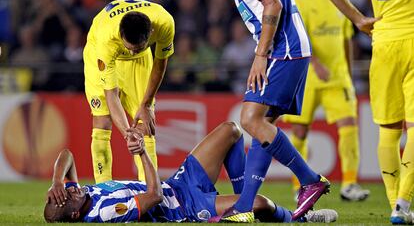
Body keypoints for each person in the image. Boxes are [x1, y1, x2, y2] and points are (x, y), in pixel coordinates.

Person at [187, 0, 329, 222]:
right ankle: (245, 205)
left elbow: (273, 4)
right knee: (261, 126)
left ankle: (310, 179)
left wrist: (261, 54)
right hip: (284, 50)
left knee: (250, 118)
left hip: (284, 50)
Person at [44, 122, 338, 223]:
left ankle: (240, 206)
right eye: (67, 196)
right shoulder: (106, 213)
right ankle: (301, 219)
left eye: (66, 189)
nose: (72, 190)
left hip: (181, 183)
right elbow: (154, 196)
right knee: (260, 204)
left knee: (231, 130)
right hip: (186, 206)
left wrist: (57, 179)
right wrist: (142, 153)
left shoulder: (79, 194)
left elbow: (67, 154)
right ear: (74, 215)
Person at [321, 0, 414, 224]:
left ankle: (394, 205)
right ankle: (403, 203)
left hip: (384, 42)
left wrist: (358, 19)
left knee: (388, 131)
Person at [283, 0, 370, 202]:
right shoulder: (300, 1)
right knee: (299, 131)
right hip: (307, 77)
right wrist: (316, 64)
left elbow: (346, 41)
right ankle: (299, 184)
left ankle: (350, 184)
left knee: (349, 127)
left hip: (338, 78)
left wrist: (349, 76)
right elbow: (299, 38)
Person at [83, 0, 174, 183]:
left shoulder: (164, 22)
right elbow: (111, 94)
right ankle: (104, 188)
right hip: (99, 57)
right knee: (102, 121)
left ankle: (150, 190)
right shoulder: (106, 39)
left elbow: (160, 62)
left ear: (151, 33)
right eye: (129, 48)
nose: (131, 52)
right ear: (120, 34)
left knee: (144, 125)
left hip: (139, 64)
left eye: (137, 48)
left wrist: (147, 105)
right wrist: (127, 134)